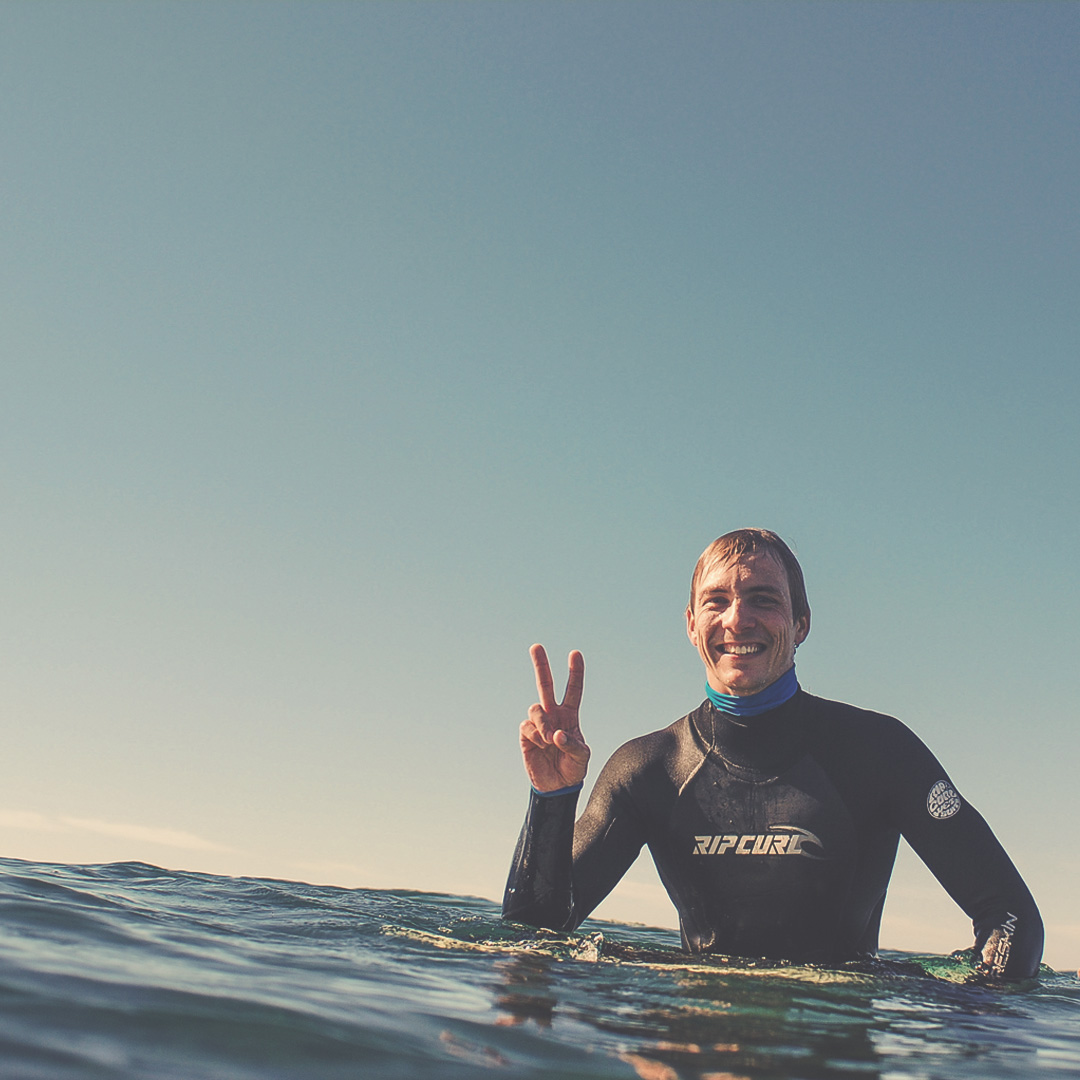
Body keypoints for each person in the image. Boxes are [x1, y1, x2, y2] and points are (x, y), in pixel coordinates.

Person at [502, 528, 1043, 980]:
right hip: (698, 1041)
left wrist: (962, 1021)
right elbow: (535, 934)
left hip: (831, 1046)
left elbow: (1012, 917)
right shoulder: (648, 769)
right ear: (691, 625)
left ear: (801, 623)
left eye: (763, 599)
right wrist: (552, 799)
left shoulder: (880, 751)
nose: (737, 619)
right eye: (716, 601)